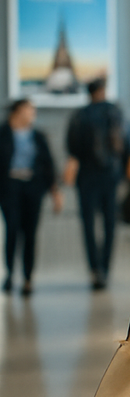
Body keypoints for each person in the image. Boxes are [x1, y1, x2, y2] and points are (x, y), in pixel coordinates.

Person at [64, 77, 130, 289]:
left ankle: (95, 269)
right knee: (110, 223)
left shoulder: (80, 115)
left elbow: (72, 146)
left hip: (86, 176)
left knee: (88, 224)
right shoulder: (116, 112)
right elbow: (127, 142)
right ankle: (105, 268)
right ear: (103, 90)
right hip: (111, 175)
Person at [0, 99, 63, 294]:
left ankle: (28, 277)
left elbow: (48, 164)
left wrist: (55, 192)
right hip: (9, 188)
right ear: (17, 112)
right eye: (29, 110)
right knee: (11, 229)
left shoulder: (38, 136)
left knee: (30, 234)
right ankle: (10, 273)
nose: (33, 114)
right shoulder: (3, 134)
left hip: (33, 188)